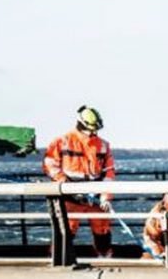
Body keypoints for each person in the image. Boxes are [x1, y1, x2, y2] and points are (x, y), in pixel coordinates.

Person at [42, 105, 116, 257]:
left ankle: (104, 256)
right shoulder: (62, 141)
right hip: (70, 196)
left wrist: (105, 197)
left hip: (95, 197)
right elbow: (50, 164)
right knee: (66, 228)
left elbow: (109, 172)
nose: (94, 132)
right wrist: (65, 183)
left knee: (102, 228)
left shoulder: (103, 145)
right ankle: (58, 258)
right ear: (82, 123)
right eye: (92, 128)